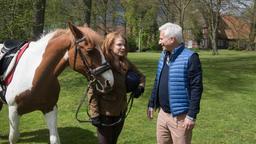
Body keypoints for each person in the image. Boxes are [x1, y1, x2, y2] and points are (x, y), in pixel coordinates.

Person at [147, 22, 203, 144]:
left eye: (161, 38)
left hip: (181, 118)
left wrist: (191, 115)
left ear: (172, 39)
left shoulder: (191, 57)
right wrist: (151, 104)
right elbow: (158, 80)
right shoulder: (163, 55)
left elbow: (196, 88)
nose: (159, 42)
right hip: (162, 114)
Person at [88, 31, 146, 144]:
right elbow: (92, 90)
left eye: (124, 45)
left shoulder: (125, 62)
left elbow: (141, 76)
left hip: (121, 112)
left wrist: (140, 87)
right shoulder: (101, 65)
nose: (123, 47)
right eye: (119, 44)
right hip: (105, 114)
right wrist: (94, 114)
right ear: (110, 45)